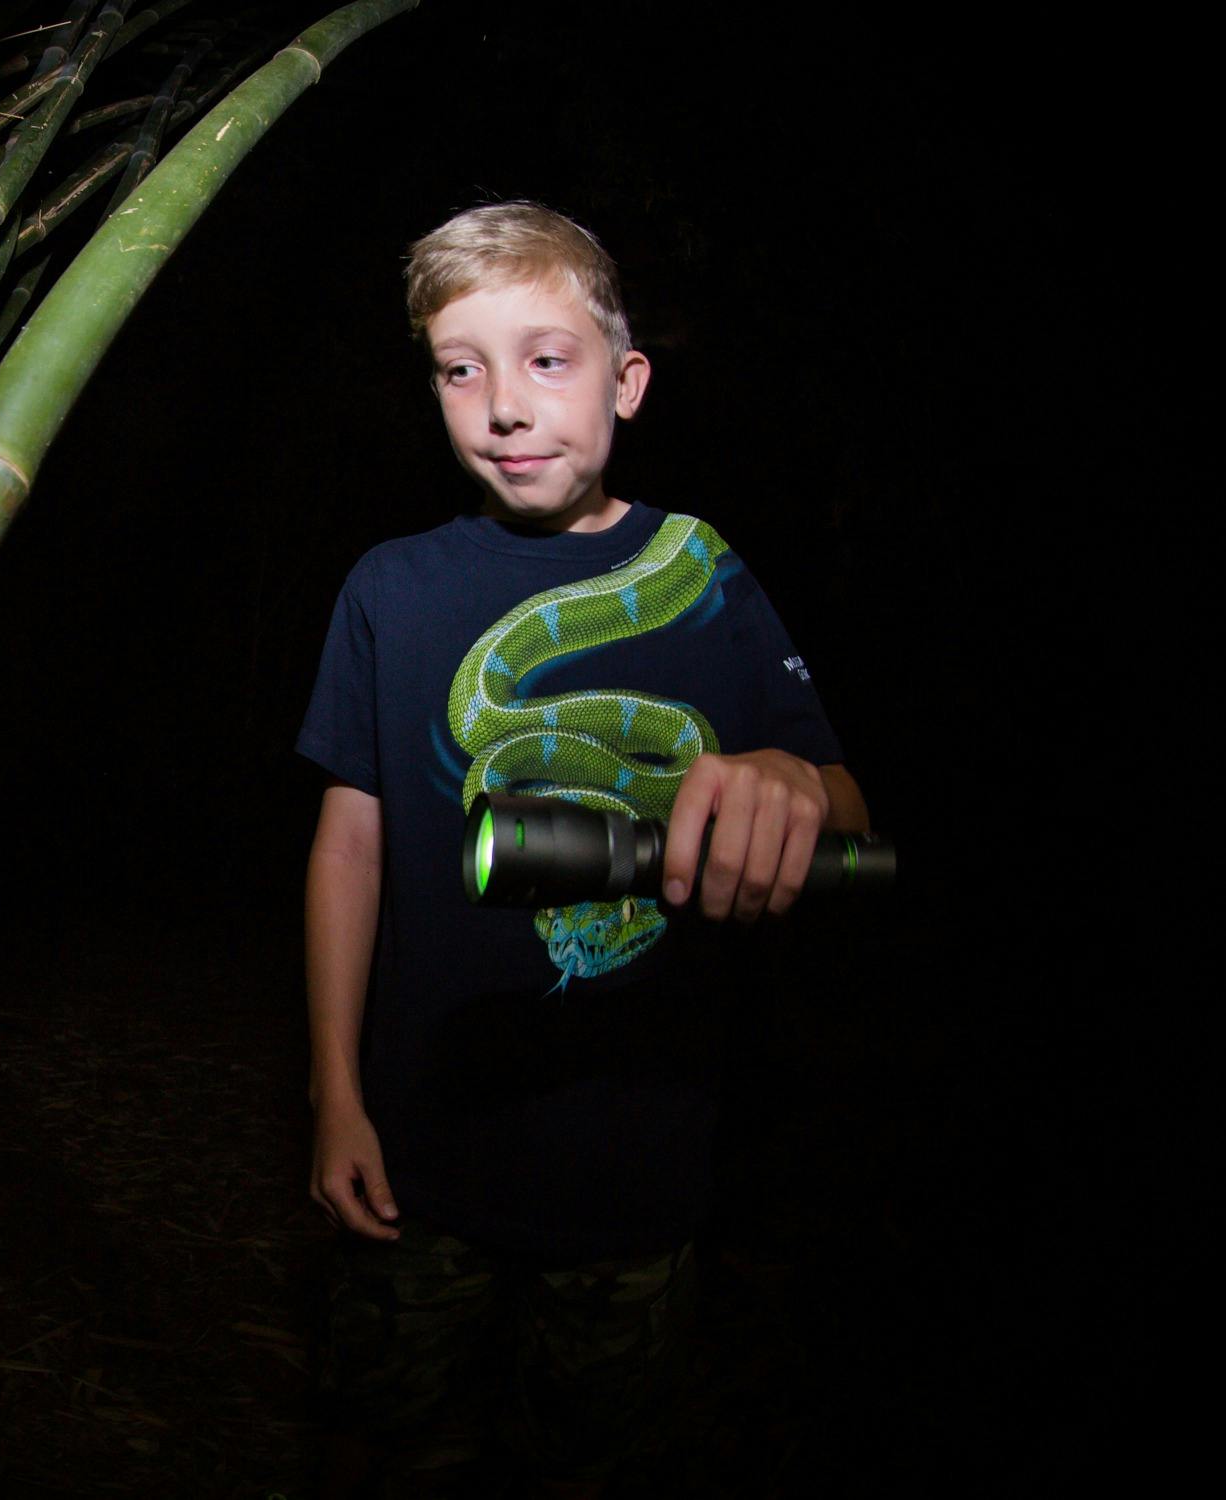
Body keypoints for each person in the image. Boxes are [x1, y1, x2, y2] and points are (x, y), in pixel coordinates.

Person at [297, 201, 869, 1497]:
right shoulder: (389, 589)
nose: (500, 405)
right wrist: (333, 1092)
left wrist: (788, 780)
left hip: (638, 1166)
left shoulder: (703, 571)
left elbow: (840, 799)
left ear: (626, 382)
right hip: (420, 1145)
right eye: (460, 366)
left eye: (545, 360)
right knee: (385, 1437)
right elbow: (347, 850)